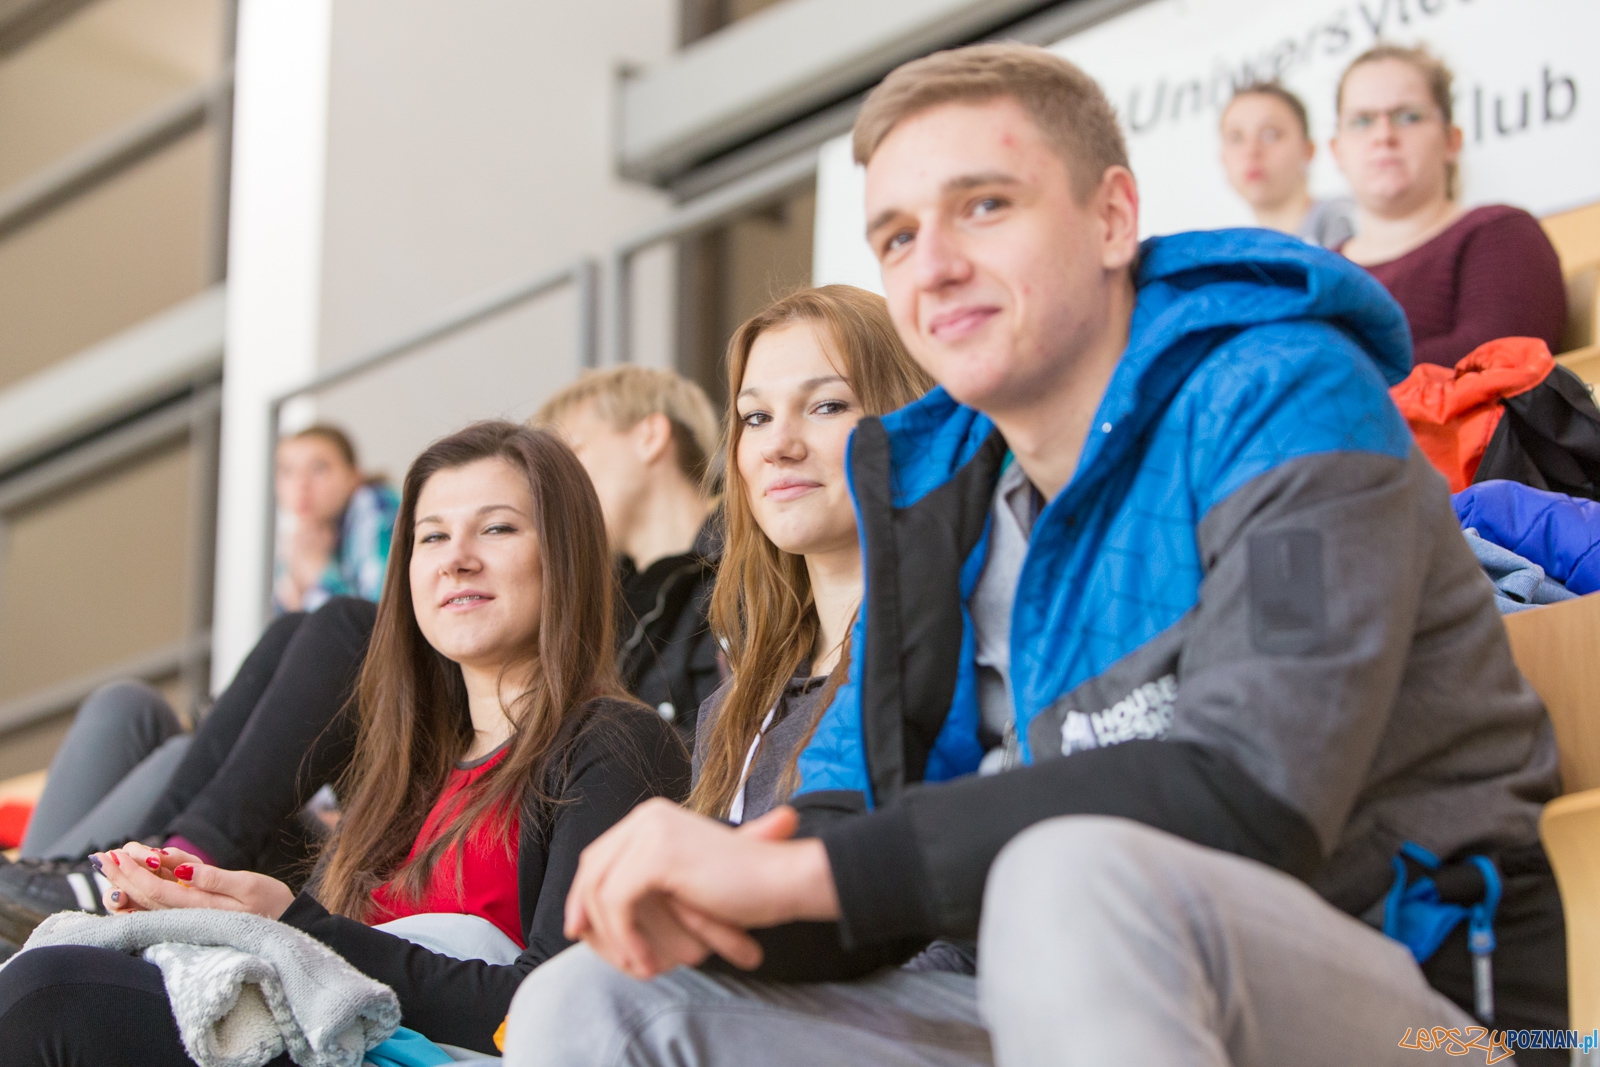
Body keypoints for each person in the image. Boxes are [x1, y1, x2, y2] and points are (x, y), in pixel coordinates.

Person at [505, 43, 1566, 1067]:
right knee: (591, 1000)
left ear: (1111, 216)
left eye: (984, 205)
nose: (936, 265)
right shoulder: (928, 491)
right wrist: (720, 887)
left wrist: (819, 871)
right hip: (1037, 1003)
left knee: (1068, 875)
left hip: (1419, 999)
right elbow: (847, 821)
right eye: (896, 237)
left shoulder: (1283, 389)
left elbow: (1254, 790)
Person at [0, 421, 690, 1065]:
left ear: (564, 557)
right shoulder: (405, 773)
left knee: (51, 992)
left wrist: (296, 926)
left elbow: (562, 1006)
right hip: (327, 1034)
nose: (457, 561)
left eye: (498, 528)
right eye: (431, 537)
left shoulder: (615, 743)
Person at [690, 285, 932, 825]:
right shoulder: (730, 712)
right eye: (756, 417)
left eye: (827, 406)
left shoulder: (956, 661)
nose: (778, 445)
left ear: (908, 421)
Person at [1331, 44, 1566, 368]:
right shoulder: (1320, 272)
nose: (1384, 134)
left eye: (1408, 116)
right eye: (1361, 121)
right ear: (1337, 150)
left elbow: (1497, 361)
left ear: (1451, 140)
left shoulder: (1499, 233)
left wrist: (1335, 375)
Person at [535, 367, 725, 743]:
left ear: (649, 436)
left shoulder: (761, 566)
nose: (553, 486)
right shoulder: (597, 607)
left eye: (571, 452)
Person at [272, 424, 399, 614]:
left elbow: (375, 620)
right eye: (288, 471)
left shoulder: (374, 505)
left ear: (353, 476)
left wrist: (316, 570)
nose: (301, 484)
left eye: (318, 468)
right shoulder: (307, 534)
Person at [1219, 81, 1353, 248]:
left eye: (1270, 134)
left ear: (1307, 149)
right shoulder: (1242, 254)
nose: (1251, 150)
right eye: (1236, 137)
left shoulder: (1347, 222)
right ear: (1222, 158)